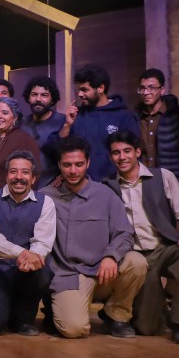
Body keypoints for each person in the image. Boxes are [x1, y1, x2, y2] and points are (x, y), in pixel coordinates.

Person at [103, 131, 179, 345]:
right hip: (135, 256)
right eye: (116, 153)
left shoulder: (162, 176)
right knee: (147, 328)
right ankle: (122, 312)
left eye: (127, 151)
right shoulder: (108, 185)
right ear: (110, 157)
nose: (122, 157)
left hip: (164, 247)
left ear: (137, 152)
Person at [43, 136, 146, 338]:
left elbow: (125, 234)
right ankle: (57, 308)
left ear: (88, 163)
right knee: (74, 329)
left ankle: (116, 315)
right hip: (69, 275)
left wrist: (111, 256)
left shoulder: (106, 195)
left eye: (79, 164)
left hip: (103, 271)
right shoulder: (47, 196)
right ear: (59, 165)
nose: (73, 170)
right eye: (67, 165)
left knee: (137, 262)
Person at [0, 150, 55, 336]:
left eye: (25, 172)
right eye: (13, 171)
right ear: (6, 176)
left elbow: (43, 241)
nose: (19, 177)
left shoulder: (46, 203)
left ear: (33, 178)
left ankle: (23, 320)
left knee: (42, 272)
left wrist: (32, 258)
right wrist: (23, 253)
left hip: (26, 271)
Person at [51, 64, 139, 182]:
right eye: (78, 90)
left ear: (101, 88)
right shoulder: (76, 116)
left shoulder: (124, 116)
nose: (80, 94)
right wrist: (67, 125)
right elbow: (59, 150)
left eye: (84, 90)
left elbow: (134, 154)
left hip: (116, 184)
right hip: (82, 186)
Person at [135, 68, 179, 188]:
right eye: (142, 88)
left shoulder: (177, 115)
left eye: (152, 88)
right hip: (145, 184)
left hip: (174, 183)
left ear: (162, 90)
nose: (146, 92)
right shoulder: (135, 118)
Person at [0, 96, 41, 191]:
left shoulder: (25, 139)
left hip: (16, 195)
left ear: (15, 118)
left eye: (5, 113)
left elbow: (35, 173)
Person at [20, 75, 65, 188]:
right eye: (34, 94)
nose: (38, 99)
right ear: (28, 97)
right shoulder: (21, 123)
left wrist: (63, 176)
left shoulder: (63, 122)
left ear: (52, 99)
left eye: (44, 95)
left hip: (55, 188)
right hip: (25, 187)